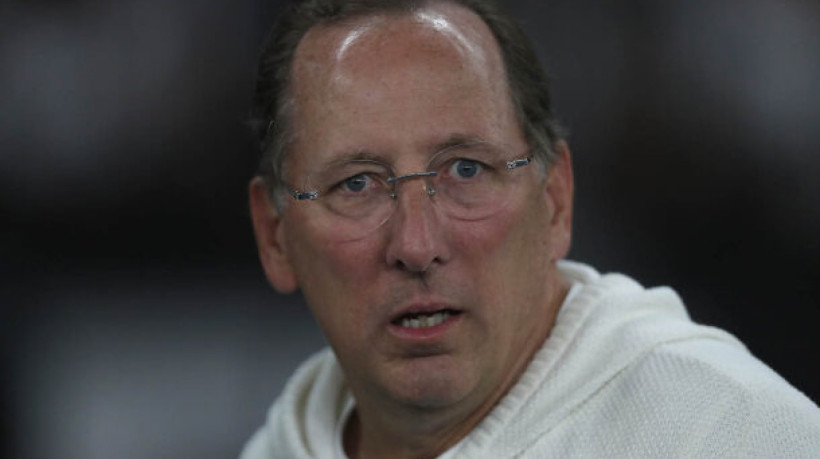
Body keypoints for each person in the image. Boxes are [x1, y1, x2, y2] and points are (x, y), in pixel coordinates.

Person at [243, 0, 820, 457]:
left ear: (555, 201)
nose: (417, 245)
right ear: (276, 236)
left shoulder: (727, 433)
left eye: (466, 169)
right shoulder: (280, 447)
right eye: (358, 184)